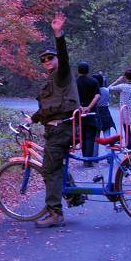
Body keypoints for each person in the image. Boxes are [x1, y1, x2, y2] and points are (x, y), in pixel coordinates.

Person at [25, 13, 81, 227]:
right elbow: (49, 108)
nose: (47, 61)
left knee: (50, 169)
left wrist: (58, 34)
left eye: (51, 58)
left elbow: (64, 57)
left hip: (61, 130)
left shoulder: (62, 74)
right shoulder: (52, 82)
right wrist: (33, 118)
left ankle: (55, 213)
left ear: (57, 60)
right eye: (44, 60)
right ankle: (75, 196)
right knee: (56, 165)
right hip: (56, 129)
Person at [109, 70, 131, 148]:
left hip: (125, 112)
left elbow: (109, 88)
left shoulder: (122, 86)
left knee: (127, 133)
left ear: (125, 77)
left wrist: (118, 80)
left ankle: (129, 151)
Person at [76, 62, 101, 166]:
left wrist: (80, 107)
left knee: (82, 136)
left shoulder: (75, 82)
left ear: (78, 70)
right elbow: (97, 96)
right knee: (90, 136)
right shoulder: (93, 81)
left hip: (78, 112)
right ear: (88, 70)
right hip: (91, 112)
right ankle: (88, 160)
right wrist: (89, 107)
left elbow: (73, 96)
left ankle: (84, 158)